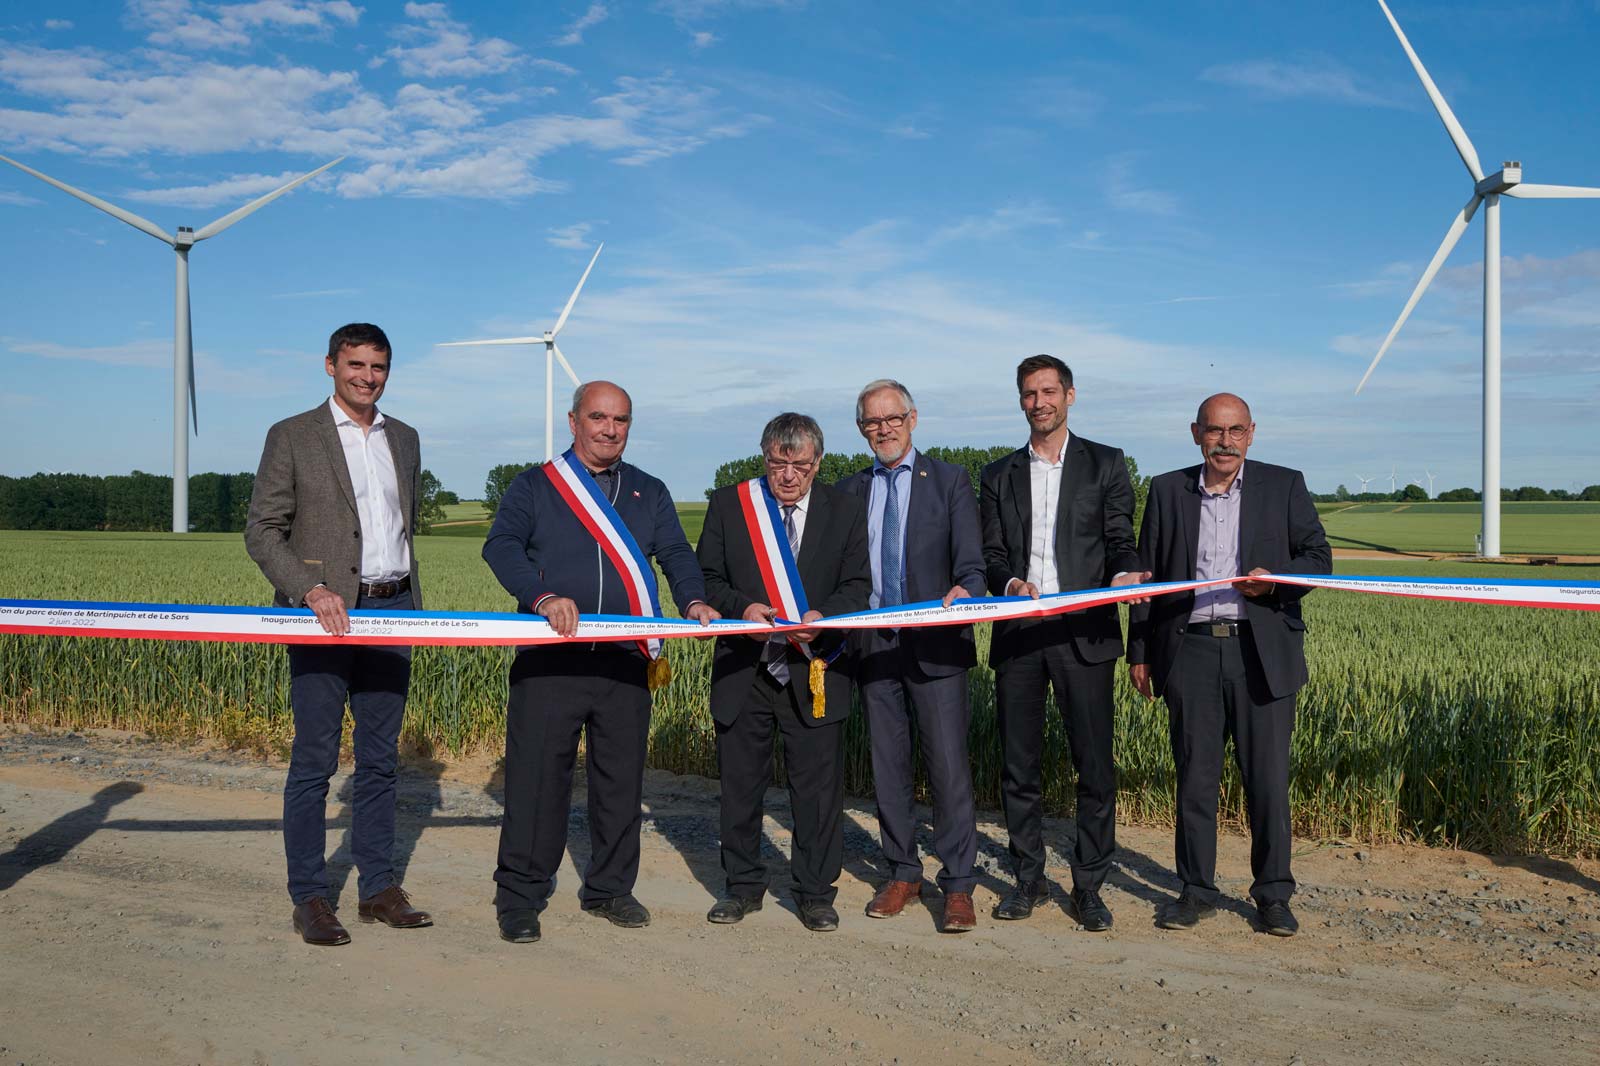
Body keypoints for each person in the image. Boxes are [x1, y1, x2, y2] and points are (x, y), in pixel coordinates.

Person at [482, 381, 717, 945]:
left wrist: (692, 599)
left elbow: (676, 554)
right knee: (537, 782)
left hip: (625, 664)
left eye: (621, 420)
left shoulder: (649, 491)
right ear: (573, 421)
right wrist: (541, 597)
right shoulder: (536, 486)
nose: (610, 430)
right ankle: (520, 895)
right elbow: (501, 546)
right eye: (599, 418)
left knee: (619, 783)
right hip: (551, 663)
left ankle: (610, 888)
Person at [244, 322, 433, 947]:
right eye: (355, 365)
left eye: (378, 367)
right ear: (330, 365)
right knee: (315, 762)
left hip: (393, 610)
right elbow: (263, 530)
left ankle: (378, 888)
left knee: (381, 761)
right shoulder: (292, 435)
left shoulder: (403, 439)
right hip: (322, 615)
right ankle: (310, 897)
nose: (367, 377)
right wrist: (310, 589)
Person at [1128, 393, 1331, 937]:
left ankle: (1273, 896)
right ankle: (1195, 892)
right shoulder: (1168, 489)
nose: (1225, 441)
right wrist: (1140, 651)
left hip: (1260, 651)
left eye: (1235, 431)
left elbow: (1318, 558)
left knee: (1267, 780)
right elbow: (1147, 576)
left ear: (1252, 433)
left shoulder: (1284, 484)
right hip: (1189, 650)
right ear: (1196, 433)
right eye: (1215, 431)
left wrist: (1276, 580)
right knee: (1195, 779)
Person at [978, 354, 1145, 930]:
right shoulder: (997, 475)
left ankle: (1090, 885)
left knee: (1094, 767)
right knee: (1018, 767)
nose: (1039, 402)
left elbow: (1120, 538)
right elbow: (992, 554)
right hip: (1021, 637)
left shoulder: (1106, 464)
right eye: (1029, 393)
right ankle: (1028, 880)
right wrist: (1009, 583)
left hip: (1085, 636)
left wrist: (1124, 573)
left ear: (1070, 395)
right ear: (1020, 400)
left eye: (1049, 391)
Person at [696, 413, 871, 932]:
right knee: (740, 787)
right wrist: (742, 608)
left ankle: (816, 893)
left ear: (817, 463)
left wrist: (826, 617)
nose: (787, 475)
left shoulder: (844, 508)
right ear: (763, 458)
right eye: (777, 463)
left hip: (816, 669)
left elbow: (858, 585)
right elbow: (708, 579)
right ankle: (742, 887)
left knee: (817, 793)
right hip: (743, 669)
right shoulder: (731, 505)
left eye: (798, 464)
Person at [835, 380, 985, 933]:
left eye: (893, 418)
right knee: (888, 767)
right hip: (874, 647)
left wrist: (966, 590)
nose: (884, 429)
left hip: (937, 646)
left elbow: (971, 564)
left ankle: (960, 884)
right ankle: (902, 870)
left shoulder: (949, 480)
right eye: (873, 423)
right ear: (862, 430)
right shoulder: (848, 491)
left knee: (948, 768)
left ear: (913, 419)